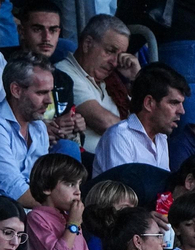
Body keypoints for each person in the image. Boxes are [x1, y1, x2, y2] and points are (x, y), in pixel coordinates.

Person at [0, 60, 60, 202]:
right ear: (16, 90)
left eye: (50, 92)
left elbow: (43, 182)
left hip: (32, 211)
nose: (49, 100)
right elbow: (16, 192)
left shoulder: (39, 127)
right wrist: (59, 207)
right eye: (41, 93)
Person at [56, 16, 139, 157]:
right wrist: (141, 135)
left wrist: (136, 79)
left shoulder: (114, 82)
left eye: (120, 56)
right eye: (110, 51)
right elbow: (105, 123)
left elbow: (143, 118)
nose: (114, 63)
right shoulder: (63, 73)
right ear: (87, 44)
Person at [91, 63, 188, 176]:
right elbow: (122, 192)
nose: (182, 111)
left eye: (181, 104)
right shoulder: (119, 137)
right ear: (149, 103)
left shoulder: (161, 137)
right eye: (174, 103)